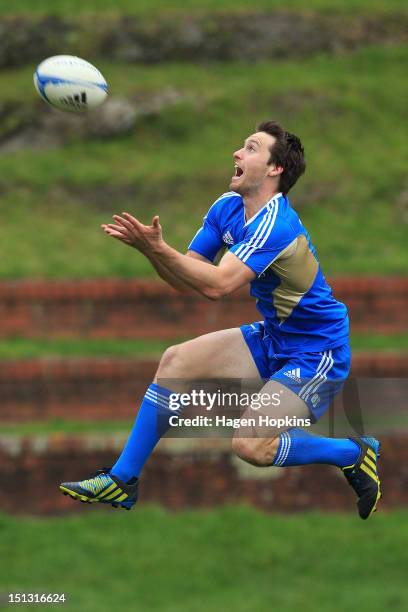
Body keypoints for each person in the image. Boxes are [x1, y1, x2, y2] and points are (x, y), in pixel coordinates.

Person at [60, 120, 381, 519]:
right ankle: (122, 481)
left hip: (318, 351)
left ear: (274, 169)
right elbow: (188, 277)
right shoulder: (226, 207)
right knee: (177, 361)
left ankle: (352, 452)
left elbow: (217, 286)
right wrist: (154, 252)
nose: (236, 153)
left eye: (250, 148)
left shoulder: (275, 224)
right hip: (275, 336)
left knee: (251, 446)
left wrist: (159, 248)